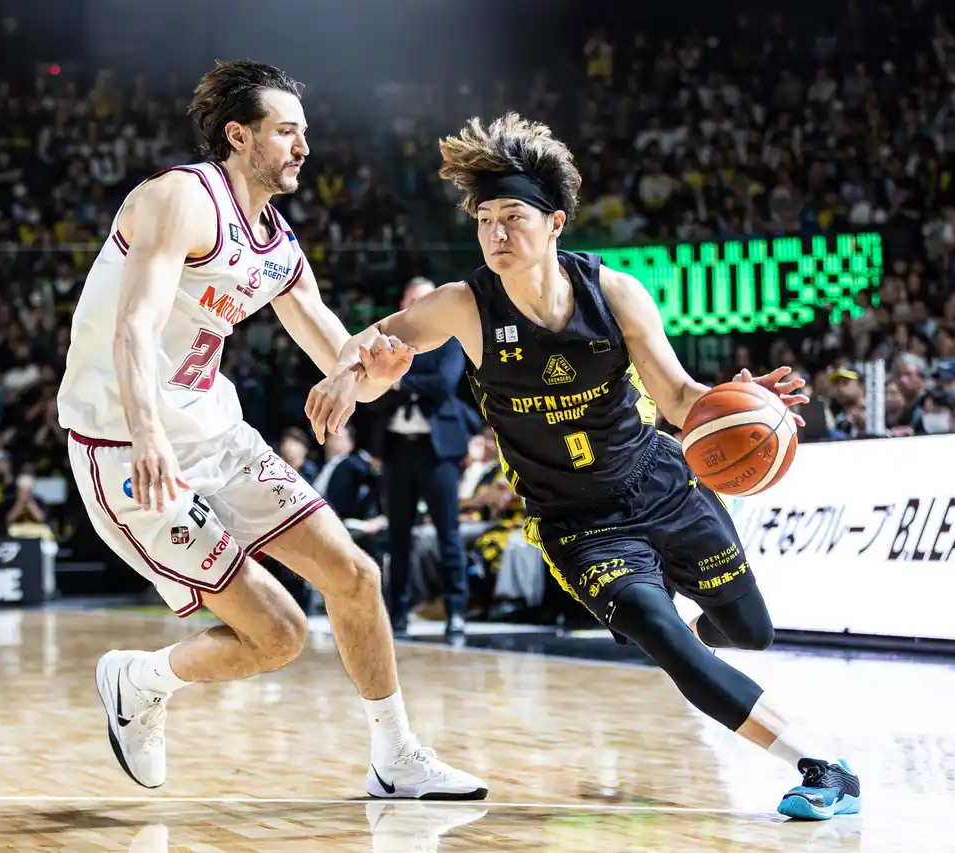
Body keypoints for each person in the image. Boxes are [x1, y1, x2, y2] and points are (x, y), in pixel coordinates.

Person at [306, 113, 860, 820]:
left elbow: (677, 396)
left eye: (513, 218)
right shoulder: (465, 305)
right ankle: (824, 766)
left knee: (751, 632)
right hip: (577, 523)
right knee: (664, 639)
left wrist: (739, 403)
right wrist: (351, 375)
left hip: (660, 485)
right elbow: (372, 343)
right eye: (485, 221)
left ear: (555, 223)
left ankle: (693, 634)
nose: (496, 234)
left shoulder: (616, 292)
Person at [55, 60, 486, 801]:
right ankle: (141, 680)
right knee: (279, 636)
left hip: (216, 433)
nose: (303, 146)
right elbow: (135, 326)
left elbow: (340, 355)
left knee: (356, 576)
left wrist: (373, 371)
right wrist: (148, 434)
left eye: (304, 132)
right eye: (287, 131)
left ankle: (396, 758)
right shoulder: (180, 198)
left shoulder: (278, 244)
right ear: (239, 136)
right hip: (126, 446)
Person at [374, 278, 471, 639]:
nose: (419, 304)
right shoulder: (386, 341)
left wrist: (399, 381)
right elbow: (374, 388)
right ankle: (397, 612)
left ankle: (456, 611)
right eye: (413, 298)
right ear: (403, 302)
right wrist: (399, 382)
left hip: (437, 449)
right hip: (397, 448)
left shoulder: (449, 339)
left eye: (425, 298)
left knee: (448, 531)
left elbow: (444, 384)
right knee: (398, 534)